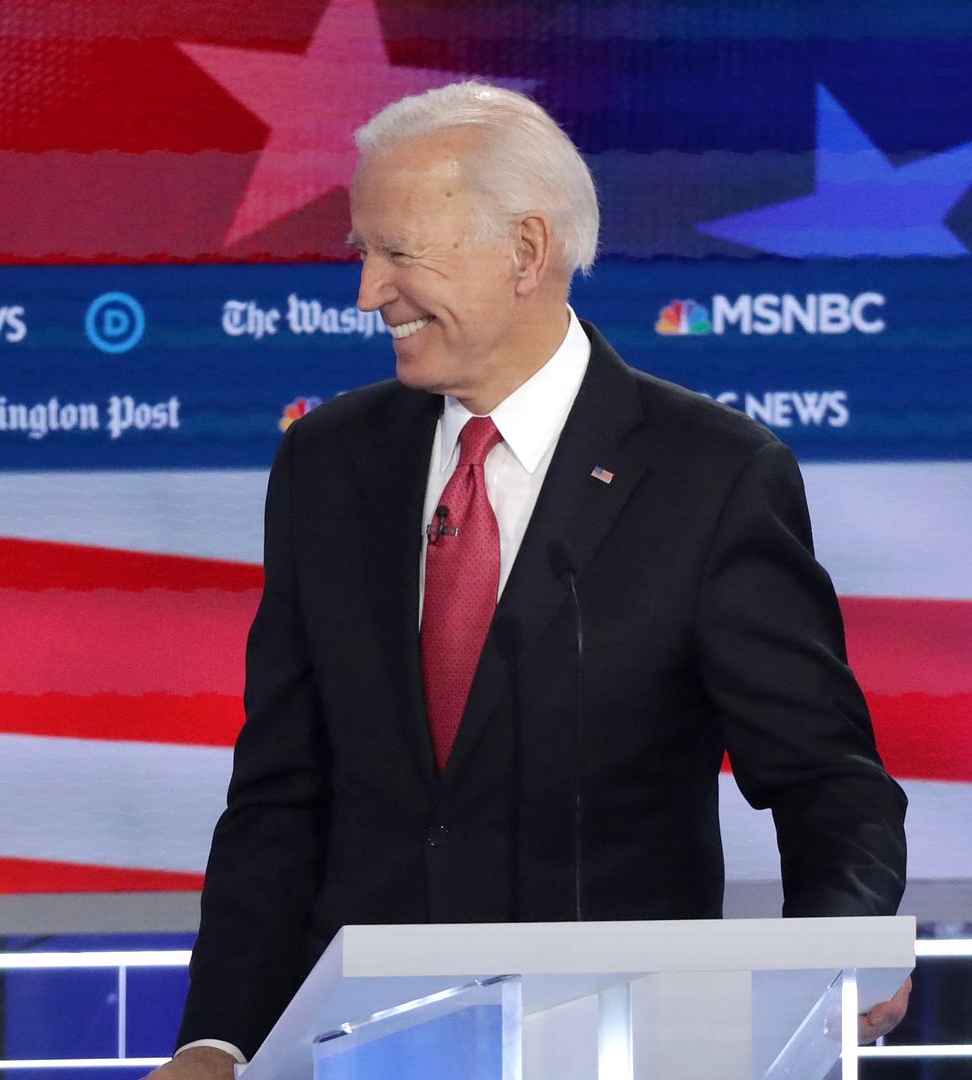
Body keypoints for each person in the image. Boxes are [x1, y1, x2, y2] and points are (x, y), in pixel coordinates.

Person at [155, 83, 909, 1076]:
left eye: (400, 253)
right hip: (360, 1050)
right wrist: (217, 1039)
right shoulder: (327, 465)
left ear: (524, 251)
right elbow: (278, 795)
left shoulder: (711, 475)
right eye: (364, 253)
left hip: (617, 1043)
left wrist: (835, 948)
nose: (368, 292)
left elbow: (822, 776)